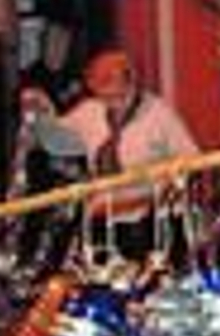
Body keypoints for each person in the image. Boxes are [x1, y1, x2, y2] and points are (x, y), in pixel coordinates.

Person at [58, 47, 199, 262]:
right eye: (100, 86)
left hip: (152, 223)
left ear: (131, 81)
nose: (111, 99)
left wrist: (163, 192)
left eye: (113, 81)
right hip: (104, 221)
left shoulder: (158, 113)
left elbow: (192, 160)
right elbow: (54, 140)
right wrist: (39, 114)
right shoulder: (89, 111)